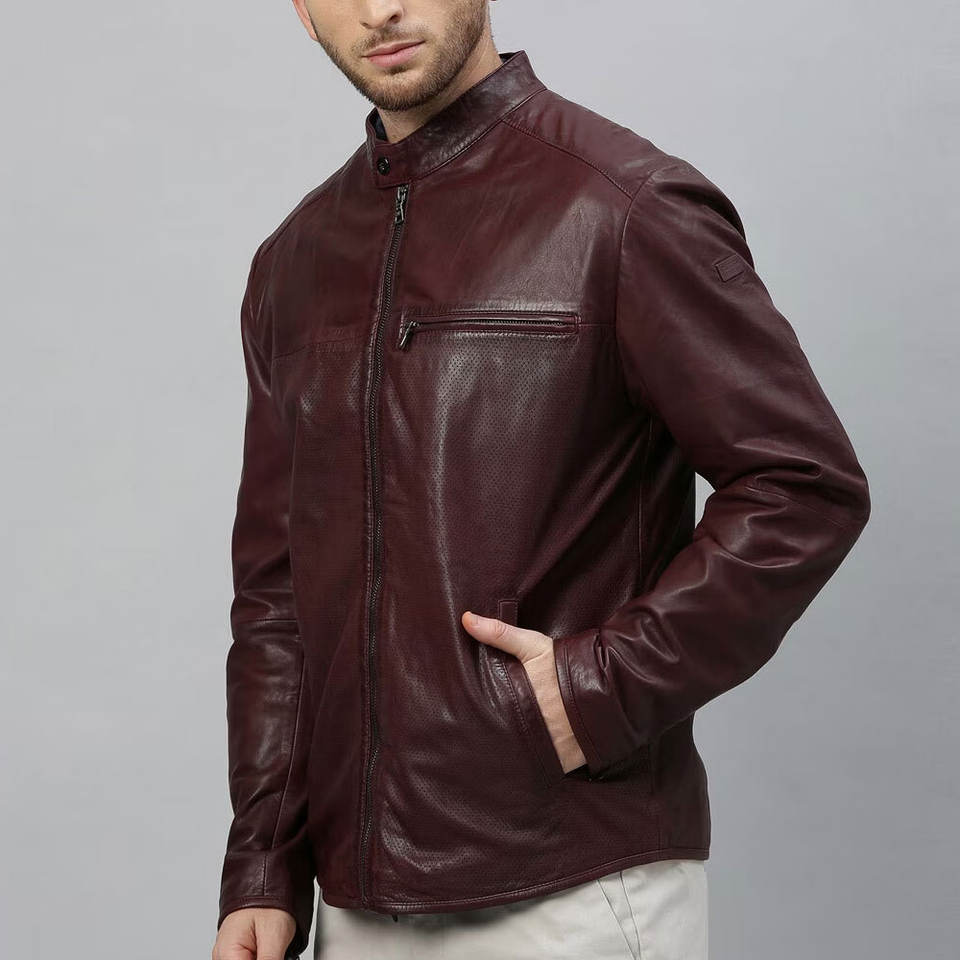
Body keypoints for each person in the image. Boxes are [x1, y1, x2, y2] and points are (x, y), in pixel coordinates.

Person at [212, 3, 871, 959]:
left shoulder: (625, 204)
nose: (380, 8)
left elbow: (802, 485)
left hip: (574, 891)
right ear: (303, 13)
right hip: (352, 910)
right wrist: (263, 863)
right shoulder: (294, 262)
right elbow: (278, 591)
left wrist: (601, 689)